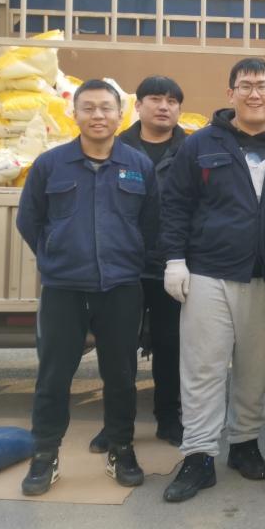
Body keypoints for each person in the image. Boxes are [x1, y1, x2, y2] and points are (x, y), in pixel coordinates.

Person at [158, 58, 265, 503]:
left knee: (255, 369)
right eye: (245, 86)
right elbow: (175, 205)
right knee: (203, 368)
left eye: (263, 86)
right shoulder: (199, 145)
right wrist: (174, 260)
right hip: (209, 273)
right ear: (230, 94)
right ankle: (199, 455)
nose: (254, 94)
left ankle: (243, 443)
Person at [16, 79, 159, 496]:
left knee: (121, 375)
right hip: (64, 288)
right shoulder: (51, 164)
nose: (98, 116)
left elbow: (151, 224)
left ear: (120, 114)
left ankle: (121, 448)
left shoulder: (138, 165)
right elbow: (29, 220)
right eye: (89, 108)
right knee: (53, 375)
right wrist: (56, 256)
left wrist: (128, 257)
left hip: (121, 287)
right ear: (74, 113)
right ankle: (44, 455)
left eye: (106, 108)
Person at [88, 75, 188, 454]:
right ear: (139, 105)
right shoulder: (114, 148)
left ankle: (169, 418)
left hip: (171, 264)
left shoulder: (192, 150)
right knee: (118, 349)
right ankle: (117, 425)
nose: (164, 107)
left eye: (171, 101)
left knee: (170, 345)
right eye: (155, 99)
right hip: (122, 266)